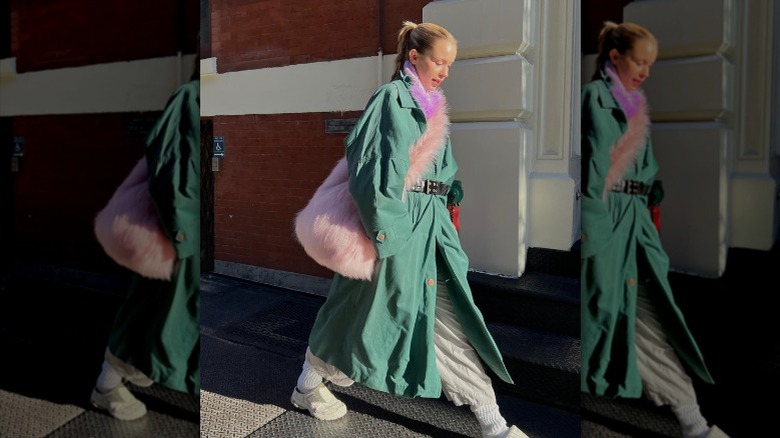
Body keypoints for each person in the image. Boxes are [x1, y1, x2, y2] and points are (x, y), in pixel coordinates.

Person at [291, 21, 527, 438]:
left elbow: (437, 169)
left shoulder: (431, 104)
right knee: (369, 311)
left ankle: (308, 386)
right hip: (400, 228)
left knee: (369, 310)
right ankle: (496, 427)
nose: (445, 71)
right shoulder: (391, 100)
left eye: (450, 64)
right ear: (414, 56)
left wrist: (450, 194)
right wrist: (389, 237)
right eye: (440, 60)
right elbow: (373, 175)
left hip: (430, 227)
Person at [580, 21, 729, 438]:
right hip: (610, 222)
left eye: (650, 64)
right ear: (616, 57)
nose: (645, 70)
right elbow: (592, 171)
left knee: (642, 317)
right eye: (639, 61)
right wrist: (594, 236)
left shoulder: (635, 107)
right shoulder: (595, 99)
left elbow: (646, 170)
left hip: (637, 225)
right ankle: (694, 424)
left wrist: (652, 199)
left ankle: (693, 422)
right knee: (628, 318)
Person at [89, 63, 201, 420]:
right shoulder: (192, 96)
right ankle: (108, 384)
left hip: (194, 237)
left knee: (161, 313)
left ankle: (112, 381)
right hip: (186, 238)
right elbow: (174, 165)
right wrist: (183, 236)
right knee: (156, 311)